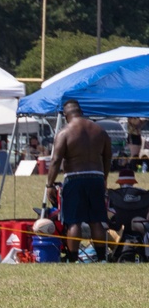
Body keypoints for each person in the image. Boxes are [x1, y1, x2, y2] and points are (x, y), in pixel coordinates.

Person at [46, 100, 113, 262]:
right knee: (96, 220)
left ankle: (73, 258)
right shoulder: (99, 130)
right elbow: (108, 157)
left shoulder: (65, 132)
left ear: (66, 114)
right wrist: (103, 178)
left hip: (74, 178)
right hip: (96, 177)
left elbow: (55, 161)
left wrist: (49, 185)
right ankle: (102, 258)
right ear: (80, 112)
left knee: (73, 221)